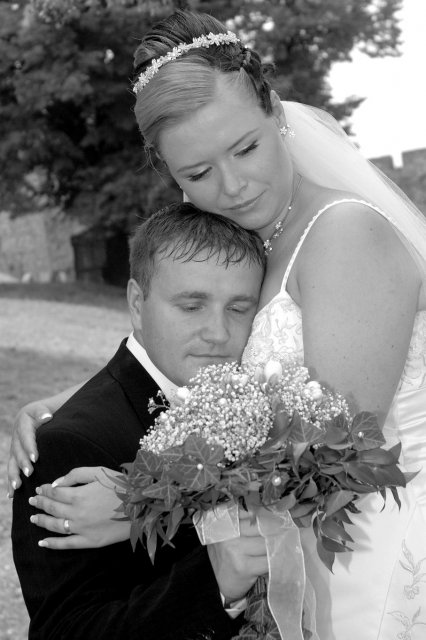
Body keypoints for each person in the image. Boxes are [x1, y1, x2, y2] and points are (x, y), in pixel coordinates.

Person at [9, 9, 426, 640]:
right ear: (169, 173)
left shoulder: (347, 235)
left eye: (247, 148)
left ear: (276, 112)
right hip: (292, 560)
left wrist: (137, 504)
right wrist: (73, 401)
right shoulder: (250, 243)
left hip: (373, 559)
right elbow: (228, 363)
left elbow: (335, 453)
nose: (232, 187)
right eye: (198, 174)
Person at [11, 202, 270, 639]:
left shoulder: (255, 402)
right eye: (192, 306)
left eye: (239, 308)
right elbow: (66, 630)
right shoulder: (69, 445)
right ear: (137, 302)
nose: (219, 333)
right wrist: (215, 584)